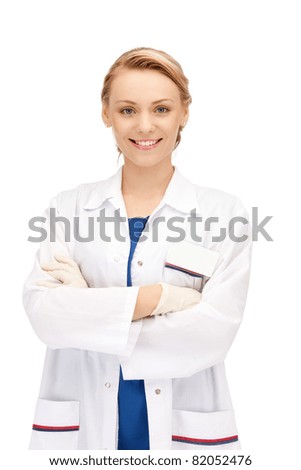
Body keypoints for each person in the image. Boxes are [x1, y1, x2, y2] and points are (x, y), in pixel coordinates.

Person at [23, 47, 252, 450]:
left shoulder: (221, 213)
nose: (145, 126)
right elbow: (46, 317)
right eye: (128, 110)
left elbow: (212, 333)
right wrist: (162, 298)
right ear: (106, 113)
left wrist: (87, 307)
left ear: (184, 113)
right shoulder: (68, 208)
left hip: (185, 427)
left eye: (161, 109)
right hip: (81, 433)